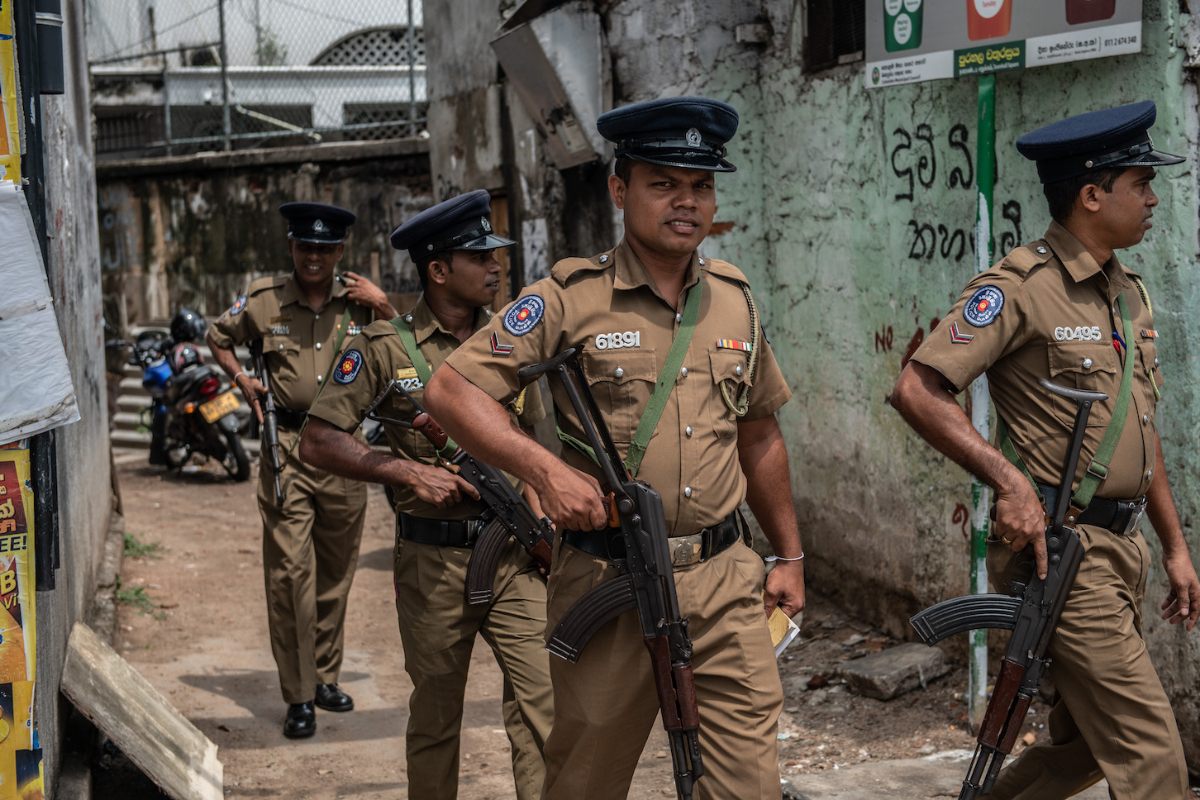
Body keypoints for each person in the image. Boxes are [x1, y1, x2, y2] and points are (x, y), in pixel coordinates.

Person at [422, 97, 806, 800]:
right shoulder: (570, 298)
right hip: (609, 580)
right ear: (621, 190)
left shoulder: (734, 301)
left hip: (724, 578)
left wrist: (789, 555)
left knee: (751, 785)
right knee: (586, 779)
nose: (686, 202)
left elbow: (759, 432)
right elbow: (450, 391)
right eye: (664, 184)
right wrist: (542, 470)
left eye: (701, 186)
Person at [891, 101, 1200, 800]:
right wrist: (1009, 482)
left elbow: (1139, 429)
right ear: (1092, 194)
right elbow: (917, 388)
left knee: (1087, 746)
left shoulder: (1127, 296)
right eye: (1140, 183)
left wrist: (1175, 547)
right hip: (1061, 554)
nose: (1153, 198)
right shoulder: (1018, 289)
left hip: (1123, 553)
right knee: (1154, 759)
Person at [298, 191, 554, 800]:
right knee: (438, 716)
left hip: (515, 553)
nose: (496, 266)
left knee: (543, 706)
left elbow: (535, 449)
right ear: (438, 270)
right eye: (479, 256)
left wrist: (547, 537)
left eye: (496, 255)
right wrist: (407, 472)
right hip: (433, 563)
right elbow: (318, 441)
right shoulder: (384, 346)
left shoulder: (509, 342)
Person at [208, 202, 397, 739]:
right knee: (291, 575)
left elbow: (407, 347)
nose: (314, 256)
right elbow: (218, 336)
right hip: (286, 447)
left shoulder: (361, 304)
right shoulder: (265, 300)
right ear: (292, 248)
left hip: (344, 449)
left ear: (341, 253)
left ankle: (325, 678)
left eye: (325, 248)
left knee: (336, 574)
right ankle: (297, 694)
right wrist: (242, 381)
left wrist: (383, 304)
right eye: (305, 247)